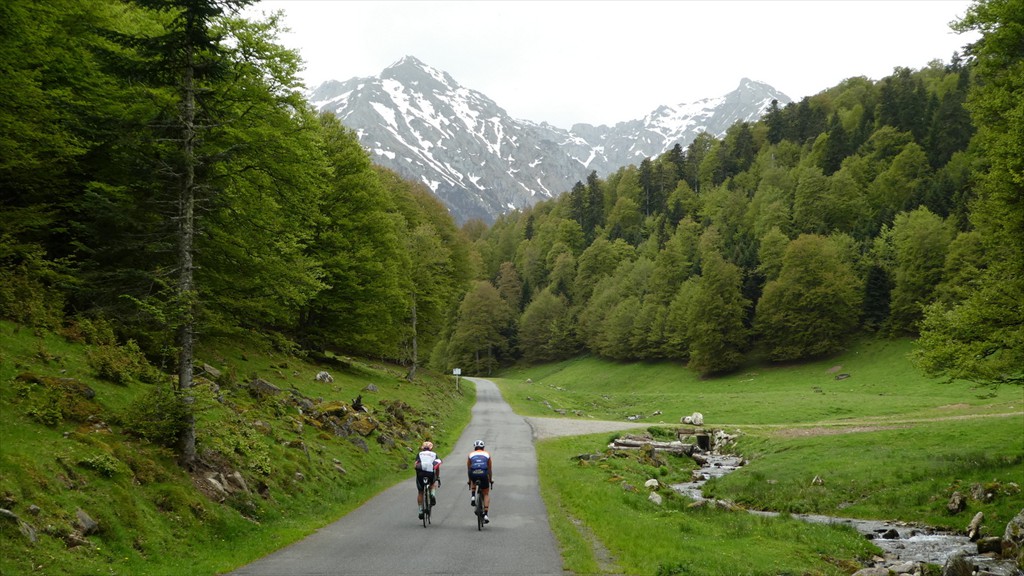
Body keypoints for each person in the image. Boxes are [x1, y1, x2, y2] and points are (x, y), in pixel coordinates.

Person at [466, 439, 492, 523]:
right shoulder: (487, 454)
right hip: (483, 473)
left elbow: (469, 468)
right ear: (483, 447)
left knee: (473, 478)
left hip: (473, 473)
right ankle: (486, 514)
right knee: (486, 493)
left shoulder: (470, 454)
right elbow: (489, 469)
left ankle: (473, 496)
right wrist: (490, 479)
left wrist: (469, 481)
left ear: (474, 448)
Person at [414, 441, 441, 520]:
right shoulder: (434, 454)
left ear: (422, 448)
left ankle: (420, 511)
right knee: (432, 484)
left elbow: (415, 465)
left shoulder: (419, 454)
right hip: (430, 473)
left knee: (420, 492)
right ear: (431, 448)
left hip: (420, 474)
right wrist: (437, 477)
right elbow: (437, 467)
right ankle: (432, 494)